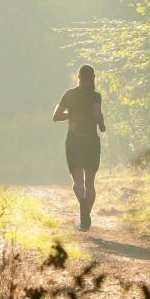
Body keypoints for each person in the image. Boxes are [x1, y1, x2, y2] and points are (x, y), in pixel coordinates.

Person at [53, 64, 106, 230]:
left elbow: (56, 116)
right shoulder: (95, 96)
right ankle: (85, 215)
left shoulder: (69, 94)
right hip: (90, 141)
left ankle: (83, 211)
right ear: (92, 78)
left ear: (78, 77)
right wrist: (102, 126)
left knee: (77, 183)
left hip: (74, 141)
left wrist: (72, 114)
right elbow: (97, 114)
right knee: (90, 183)